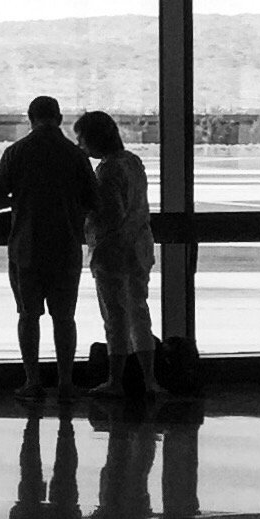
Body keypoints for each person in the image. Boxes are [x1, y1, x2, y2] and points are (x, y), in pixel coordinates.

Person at [0, 95, 96, 400]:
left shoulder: (16, 152)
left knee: (28, 316)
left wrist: (19, 202)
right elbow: (93, 200)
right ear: (59, 119)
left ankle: (32, 380)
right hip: (66, 247)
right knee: (64, 318)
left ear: (30, 119)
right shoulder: (75, 155)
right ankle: (65, 381)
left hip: (26, 248)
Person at [75, 111, 161, 400]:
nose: (81, 146)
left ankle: (116, 380)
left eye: (82, 139)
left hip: (113, 251)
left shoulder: (108, 170)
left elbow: (110, 214)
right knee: (139, 311)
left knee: (115, 316)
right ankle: (149, 380)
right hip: (140, 246)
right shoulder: (133, 162)